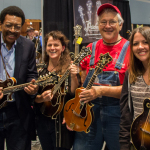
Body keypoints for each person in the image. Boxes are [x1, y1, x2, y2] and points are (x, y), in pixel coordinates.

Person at [73, 3, 130, 150]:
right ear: (98, 25)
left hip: (118, 115)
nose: (108, 26)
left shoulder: (131, 49)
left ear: (120, 25)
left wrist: (100, 91)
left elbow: (131, 90)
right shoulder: (90, 49)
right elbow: (80, 84)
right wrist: (73, 113)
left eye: (112, 22)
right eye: (103, 22)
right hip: (89, 115)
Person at [34, 30, 80, 150]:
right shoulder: (39, 70)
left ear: (63, 48)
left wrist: (74, 76)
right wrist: (41, 98)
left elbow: (74, 93)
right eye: (49, 45)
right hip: (43, 120)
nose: (52, 48)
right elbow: (34, 98)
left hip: (63, 121)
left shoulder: (69, 68)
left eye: (56, 45)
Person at [0, 6, 38, 150]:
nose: (13, 30)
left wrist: (32, 86)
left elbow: (32, 74)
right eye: (8, 25)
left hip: (18, 111)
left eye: (17, 26)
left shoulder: (28, 45)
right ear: (1, 24)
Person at [119, 26, 150, 150]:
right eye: (135, 44)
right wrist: (124, 145)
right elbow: (126, 115)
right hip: (136, 144)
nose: (140, 47)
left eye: (145, 42)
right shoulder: (130, 74)